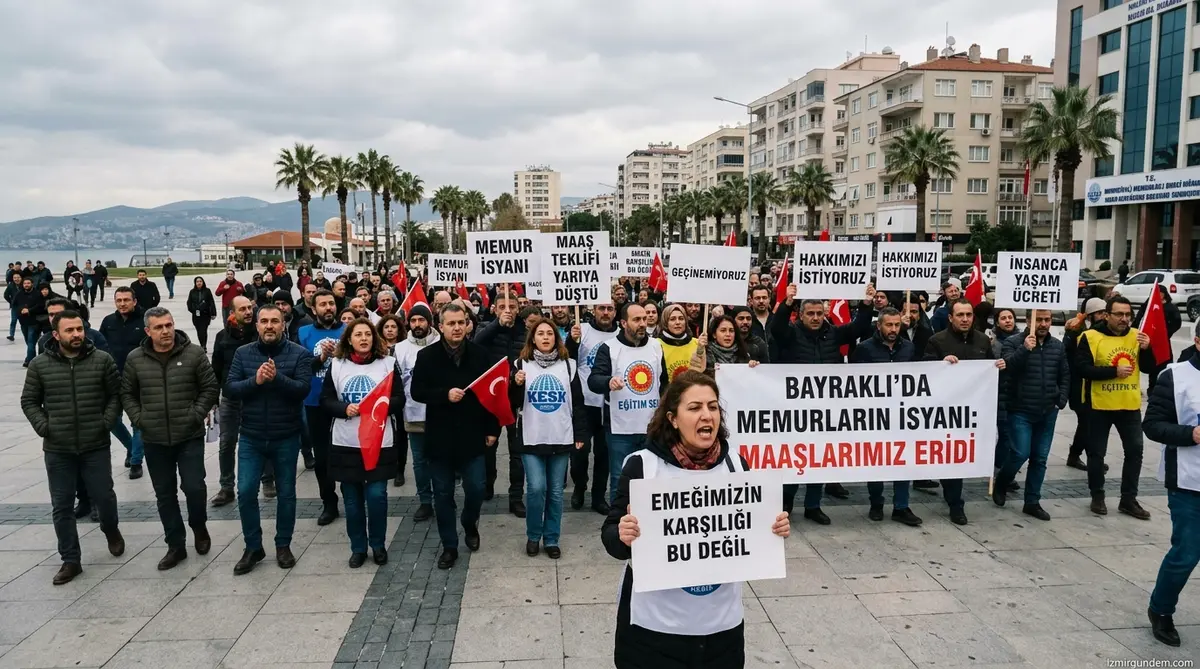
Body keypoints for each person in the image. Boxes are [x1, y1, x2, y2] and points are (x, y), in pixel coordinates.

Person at [602, 371, 790, 667]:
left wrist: (773, 527)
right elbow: (611, 538)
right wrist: (623, 536)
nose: (707, 415)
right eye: (695, 408)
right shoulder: (642, 466)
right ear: (673, 418)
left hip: (720, 632)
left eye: (713, 407)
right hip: (655, 634)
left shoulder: (737, 464)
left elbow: (750, 529)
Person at [21, 309, 125, 585]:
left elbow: (116, 395)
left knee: (104, 496)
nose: (77, 334)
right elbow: (29, 401)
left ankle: (111, 528)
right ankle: (70, 559)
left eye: (79, 329)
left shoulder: (102, 360)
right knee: (62, 505)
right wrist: (45, 427)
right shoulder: (39, 365)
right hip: (58, 448)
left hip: (95, 444)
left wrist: (106, 421)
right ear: (56, 335)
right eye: (70, 330)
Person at [120, 307, 220, 570]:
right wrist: (140, 419)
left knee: (195, 487)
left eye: (169, 325)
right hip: (154, 439)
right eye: (159, 327)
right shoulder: (135, 359)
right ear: (148, 331)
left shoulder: (194, 353)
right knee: (165, 495)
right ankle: (175, 544)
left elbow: (210, 387)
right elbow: (127, 393)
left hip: (188, 435)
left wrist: (195, 414)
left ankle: (199, 526)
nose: (165, 331)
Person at [771, 283, 876, 518]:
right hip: (796, 411)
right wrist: (787, 304)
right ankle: (786, 505)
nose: (816, 318)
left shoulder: (833, 333)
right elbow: (776, 328)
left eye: (819, 313)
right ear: (801, 314)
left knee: (818, 460)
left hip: (826, 412)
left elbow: (858, 327)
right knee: (795, 459)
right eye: (810, 313)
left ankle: (813, 506)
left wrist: (866, 304)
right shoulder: (791, 333)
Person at [224, 305, 314, 575]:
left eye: (275, 320)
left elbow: (302, 390)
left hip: (285, 435)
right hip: (251, 436)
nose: (269, 326)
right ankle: (253, 546)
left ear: (284, 324)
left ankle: (283, 544)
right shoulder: (243, 353)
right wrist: (257, 380)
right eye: (264, 321)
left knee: (287, 493)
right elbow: (230, 388)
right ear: (257, 325)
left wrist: (277, 379)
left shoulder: (300, 354)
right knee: (246, 491)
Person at [410, 302, 500, 569]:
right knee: (442, 495)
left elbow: (492, 395)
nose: (457, 327)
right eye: (451, 323)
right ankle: (449, 545)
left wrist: (492, 430)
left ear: (468, 324)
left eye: (461, 322)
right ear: (440, 327)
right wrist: (444, 395)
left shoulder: (481, 355)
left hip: (473, 437)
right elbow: (417, 392)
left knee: (476, 488)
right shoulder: (426, 356)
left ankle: (469, 522)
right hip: (440, 439)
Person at [321, 319, 404, 568]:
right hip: (347, 442)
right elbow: (325, 399)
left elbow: (399, 398)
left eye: (368, 334)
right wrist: (343, 408)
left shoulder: (388, 364)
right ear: (349, 339)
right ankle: (358, 547)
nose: (364, 338)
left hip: (379, 440)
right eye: (358, 334)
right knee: (352, 501)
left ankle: (378, 544)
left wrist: (379, 407)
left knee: (377, 496)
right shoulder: (336, 365)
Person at [922, 299, 1006, 525]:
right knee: (952, 457)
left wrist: (997, 367)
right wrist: (940, 363)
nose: (965, 319)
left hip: (975, 411)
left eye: (969, 314)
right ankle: (955, 504)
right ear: (951, 317)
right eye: (960, 315)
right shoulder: (937, 340)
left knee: (967, 453)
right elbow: (925, 373)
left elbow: (988, 368)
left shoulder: (982, 340)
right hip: (946, 411)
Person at [1142, 323, 1200, 647]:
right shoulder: (1175, 377)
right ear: (1198, 341)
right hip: (1189, 481)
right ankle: (1161, 609)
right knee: (1187, 552)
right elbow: (1151, 425)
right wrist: (1189, 434)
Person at [511, 317, 587, 558]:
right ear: (532, 338)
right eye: (540, 333)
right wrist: (515, 384)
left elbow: (578, 402)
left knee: (555, 492)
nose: (545, 337)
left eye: (550, 333)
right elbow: (512, 402)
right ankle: (533, 535)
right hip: (531, 436)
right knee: (536, 488)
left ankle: (551, 538)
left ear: (557, 338)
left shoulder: (569, 366)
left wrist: (580, 432)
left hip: (560, 435)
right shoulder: (521, 364)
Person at [1075, 295, 1156, 519]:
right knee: (1096, 454)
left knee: (1134, 452)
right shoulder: (1090, 337)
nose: (1124, 319)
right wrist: (1113, 372)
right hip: (1098, 405)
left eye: (1128, 315)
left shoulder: (1137, 336)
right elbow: (1081, 369)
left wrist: (1148, 348)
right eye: (1119, 314)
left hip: (1128, 405)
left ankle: (1128, 499)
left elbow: (1149, 368)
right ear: (1107, 315)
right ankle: (1097, 495)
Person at [993, 308, 1069, 520]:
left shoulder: (1057, 346)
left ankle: (1032, 501)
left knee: (1040, 458)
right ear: (1028, 320)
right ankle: (1003, 480)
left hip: (1047, 411)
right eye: (1039, 320)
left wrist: (1060, 400)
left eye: (1047, 320)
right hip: (1021, 410)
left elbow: (1064, 374)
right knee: (1020, 453)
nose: (1043, 324)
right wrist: (1025, 349)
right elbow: (1007, 368)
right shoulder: (1014, 342)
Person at [587, 303, 667, 505]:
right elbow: (593, 380)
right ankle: (619, 523)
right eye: (636, 320)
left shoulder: (657, 346)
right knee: (620, 479)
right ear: (623, 323)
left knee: (651, 477)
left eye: (644, 319)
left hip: (651, 427)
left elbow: (663, 382)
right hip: (620, 429)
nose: (643, 323)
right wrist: (608, 382)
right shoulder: (610, 348)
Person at [850, 307, 922, 526]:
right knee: (876, 461)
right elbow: (853, 382)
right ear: (878, 325)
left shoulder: (909, 347)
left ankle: (901, 506)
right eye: (889, 325)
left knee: (903, 460)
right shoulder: (864, 349)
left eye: (897, 325)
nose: (893, 329)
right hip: (874, 416)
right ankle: (876, 504)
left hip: (902, 415)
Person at [474, 291, 528, 516]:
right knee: (488, 448)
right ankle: (487, 483)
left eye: (513, 306)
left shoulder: (525, 332)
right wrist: (498, 324)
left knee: (517, 452)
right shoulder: (485, 328)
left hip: (516, 400)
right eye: (503, 306)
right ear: (494, 309)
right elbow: (476, 344)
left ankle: (516, 497)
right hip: (491, 400)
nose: (509, 310)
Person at [298, 289, 346, 526]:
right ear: (313, 309)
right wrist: (320, 359)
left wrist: (340, 355)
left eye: (331, 303)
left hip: (344, 403)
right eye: (322, 305)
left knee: (348, 453)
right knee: (322, 457)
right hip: (315, 403)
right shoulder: (303, 332)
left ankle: (353, 498)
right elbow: (299, 366)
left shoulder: (347, 330)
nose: (328, 308)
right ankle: (329, 502)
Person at [567, 302, 618, 515]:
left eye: (610, 309)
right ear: (593, 310)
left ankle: (598, 496)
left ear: (615, 312)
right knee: (579, 452)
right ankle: (579, 487)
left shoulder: (620, 335)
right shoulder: (582, 330)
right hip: (584, 404)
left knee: (604, 454)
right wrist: (572, 340)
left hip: (609, 405)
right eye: (601, 308)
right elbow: (567, 359)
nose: (605, 313)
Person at [209, 296, 258, 506]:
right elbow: (216, 369)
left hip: (256, 397)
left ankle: (267, 479)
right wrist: (213, 400)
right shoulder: (222, 337)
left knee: (260, 440)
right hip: (230, 398)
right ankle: (226, 487)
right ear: (232, 312)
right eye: (243, 309)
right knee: (227, 443)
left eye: (250, 308)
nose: (248, 312)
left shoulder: (259, 333)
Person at [394, 304, 438, 517]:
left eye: (421, 320)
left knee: (440, 458)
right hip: (413, 412)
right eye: (413, 321)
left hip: (440, 413)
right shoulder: (400, 348)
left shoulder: (441, 343)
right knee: (419, 460)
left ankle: (442, 496)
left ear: (429, 321)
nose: (417, 324)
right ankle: (425, 500)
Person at [99, 286, 147, 478]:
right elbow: (100, 348)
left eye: (126, 300)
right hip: (113, 378)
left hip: (138, 380)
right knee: (111, 420)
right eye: (119, 300)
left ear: (134, 301)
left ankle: (136, 461)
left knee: (138, 422)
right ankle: (131, 446)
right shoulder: (109, 321)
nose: (122, 303)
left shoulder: (144, 320)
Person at [1065, 297, 1109, 471]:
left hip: (1096, 387)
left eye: (1104, 313)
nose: (1103, 317)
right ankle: (1083, 456)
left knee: (1089, 423)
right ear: (1089, 316)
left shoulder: (1106, 333)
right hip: (1078, 386)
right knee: (1087, 422)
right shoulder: (1078, 333)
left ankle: (1078, 455)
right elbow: (1067, 354)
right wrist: (1070, 332)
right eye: (1098, 313)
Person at [1135, 284, 1183, 393]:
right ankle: (1152, 389)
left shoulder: (1170, 307)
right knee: (1152, 365)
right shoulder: (1147, 305)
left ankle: (1163, 389)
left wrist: (1166, 333)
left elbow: (1176, 323)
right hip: (1149, 341)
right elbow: (1140, 320)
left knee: (1164, 364)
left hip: (1163, 341)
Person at [698, 314, 763, 375]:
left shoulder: (743, 354)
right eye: (723, 330)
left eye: (731, 331)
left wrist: (752, 368)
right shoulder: (705, 353)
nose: (728, 334)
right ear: (714, 334)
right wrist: (700, 350)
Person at [658, 304, 704, 382]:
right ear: (665, 322)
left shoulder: (697, 343)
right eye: (672, 319)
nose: (677, 322)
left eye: (681, 318)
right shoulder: (657, 344)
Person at [13, 276, 45, 366]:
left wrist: (29, 310)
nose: (26, 285)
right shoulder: (19, 294)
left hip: (34, 322)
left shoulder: (37, 294)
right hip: (23, 322)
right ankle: (33, 357)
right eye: (24, 283)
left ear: (32, 284)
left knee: (31, 341)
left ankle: (30, 361)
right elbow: (14, 304)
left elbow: (40, 306)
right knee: (29, 342)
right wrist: (20, 311)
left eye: (28, 283)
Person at [186, 277, 217, 350]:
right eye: (197, 281)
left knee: (203, 330)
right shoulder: (192, 292)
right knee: (199, 331)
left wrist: (213, 313)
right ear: (195, 283)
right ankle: (201, 344)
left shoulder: (207, 291)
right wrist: (193, 310)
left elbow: (211, 302)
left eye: (200, 281)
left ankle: (204, 346)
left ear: (203, 282)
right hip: (196, 315)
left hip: (205, 314)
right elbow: (189, 303)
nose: (199, 283)